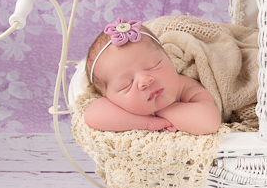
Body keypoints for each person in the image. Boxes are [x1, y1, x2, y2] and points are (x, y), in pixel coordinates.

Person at [84, 17, 222, 135]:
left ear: (168, 59)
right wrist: (148, 122)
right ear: (109, 98)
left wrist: (159, 110)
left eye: (153, 65)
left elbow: (209, 122)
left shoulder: (185, 87)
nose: (145, 81)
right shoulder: (117, 104)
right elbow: (92, 114)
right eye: (126, 84)